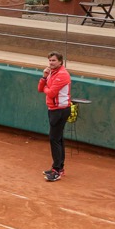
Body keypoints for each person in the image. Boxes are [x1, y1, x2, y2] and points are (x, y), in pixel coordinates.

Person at [39, 51, 72, 182]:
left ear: (60, 61)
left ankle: (56, 170)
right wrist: (44, 77)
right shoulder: (51, 72)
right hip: (54, 110)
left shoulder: (62, 75)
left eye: (53, 60)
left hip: (60, 111)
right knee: (58, 139)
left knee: (54, 139)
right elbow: (40, 88)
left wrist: (47, 87)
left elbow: (51, 93)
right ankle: (59, 168)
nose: (51, 63)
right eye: (50, 61)